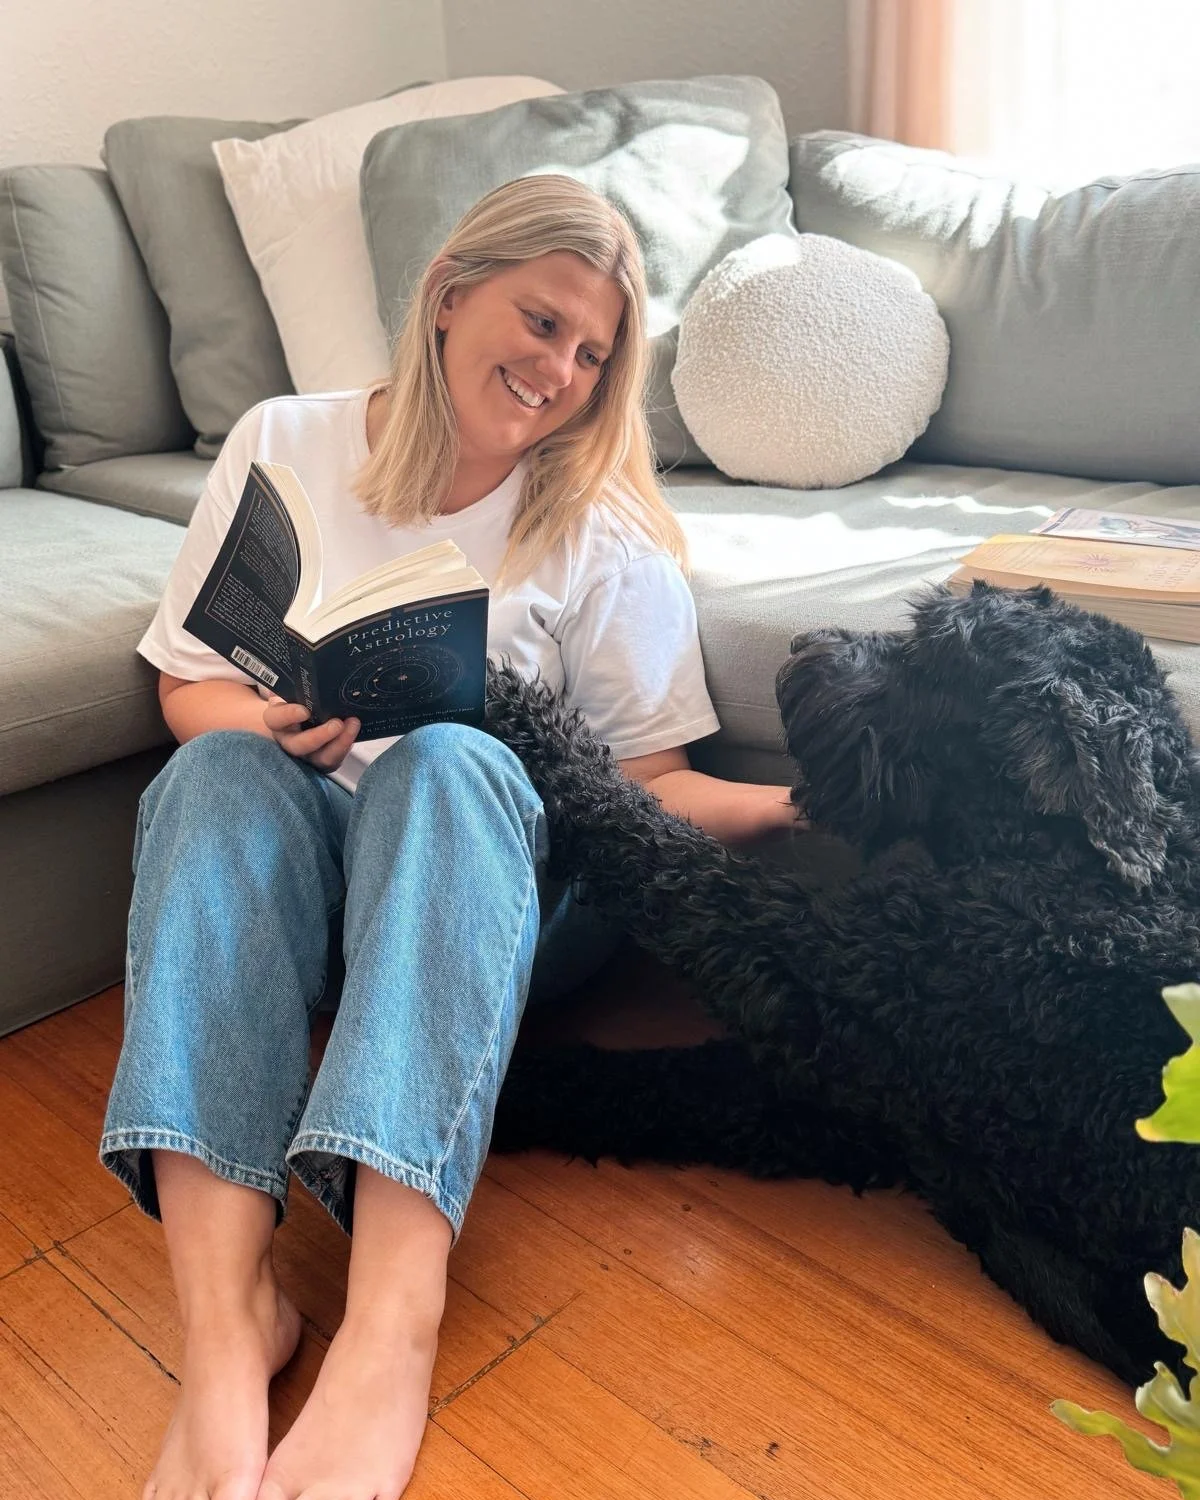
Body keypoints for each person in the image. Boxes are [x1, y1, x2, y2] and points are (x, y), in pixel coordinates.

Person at [100, 173, 801, 1500]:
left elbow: (653, 782)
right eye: (540, 323)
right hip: (318, 873)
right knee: (206, 784)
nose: (560, 371)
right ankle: (224, 1323)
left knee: (454, 757)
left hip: (503, 893)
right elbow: (183, 684)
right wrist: (259, 721)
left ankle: (391, 1323)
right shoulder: (283, 442)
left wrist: (801, 811)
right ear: (448, 294)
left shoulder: (599, 528)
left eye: (593, 354)